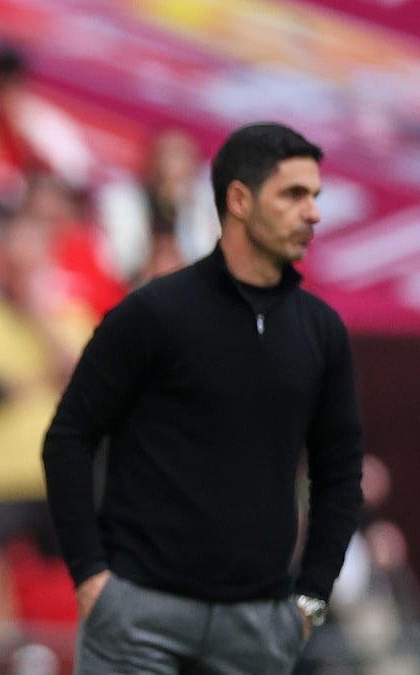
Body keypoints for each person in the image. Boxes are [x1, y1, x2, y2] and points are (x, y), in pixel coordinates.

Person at [42, 122, 363, 674]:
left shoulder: (322, 332)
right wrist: (92, 577)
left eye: (315, 196)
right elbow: (69, 437)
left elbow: (339, 475)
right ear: (238, 200)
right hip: (136, 619)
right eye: (293, 194)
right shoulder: (152, 313)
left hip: (258, 629)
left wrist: (309, 600)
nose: (312, 212)